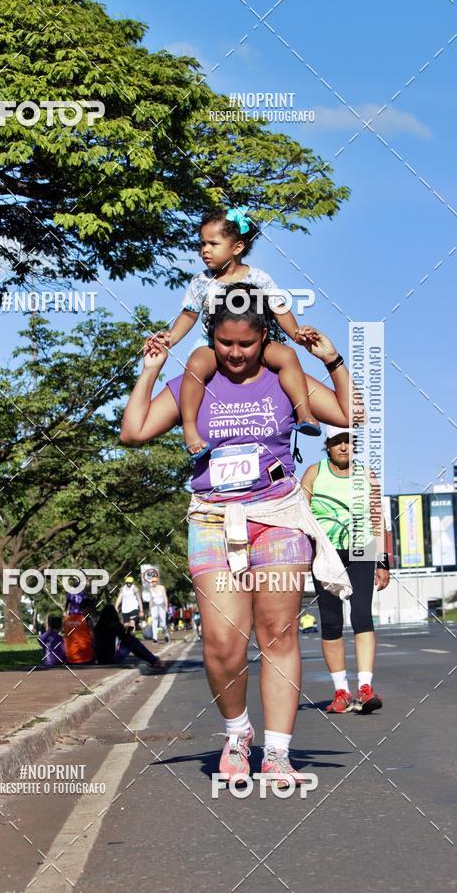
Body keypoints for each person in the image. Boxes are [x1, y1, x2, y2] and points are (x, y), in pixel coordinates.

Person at [121, 291, 356, 784]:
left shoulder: (283, 377)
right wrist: (149, 369)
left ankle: (277, 754)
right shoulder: (195, 381)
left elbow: (349, 414)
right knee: (224, 643)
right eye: (225, 343)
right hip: (213, 519)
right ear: (212, 339)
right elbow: (134, 431)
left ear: (263, 338)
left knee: (279, 633)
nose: (235, 353)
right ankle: (237, 731)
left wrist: (331, 358)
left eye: (246, 344)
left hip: (277, 515)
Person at [147, 208, 322, 458]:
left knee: (287, 356)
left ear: (237, 247)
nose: (205, 250)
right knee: (195, 364)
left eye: (213, 244)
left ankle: (304, 412)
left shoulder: (259, 279)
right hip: (213, 344)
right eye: (202, 243)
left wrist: (295, 333)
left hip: (257, 345)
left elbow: (279, 308)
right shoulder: (201, 281)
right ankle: (189, 429)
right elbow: (189, 314)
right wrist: (171, 338)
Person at [301, 426, 390, 714]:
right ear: (327, 445)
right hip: (326, 553)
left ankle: (365, 688)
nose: (343, 447)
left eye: (349, 442)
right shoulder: (314, 473)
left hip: (361, 549)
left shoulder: (366, 474)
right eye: (337, 442)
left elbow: (378, 518)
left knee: (362, 615)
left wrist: (383, 561)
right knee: (330, 621)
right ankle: (341, 691)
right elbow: (300, 516)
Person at [94, 605, 164, 669]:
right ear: (114, 614)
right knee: (133, 641)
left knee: (132, 642)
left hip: (101, 659)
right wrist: (130, 629)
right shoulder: (115, 625)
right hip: (112, 659)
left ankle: (152, 659)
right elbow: (126, 639)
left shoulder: (98, 627)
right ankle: (154, 660)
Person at [63, 597, 96, 665]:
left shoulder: (67, 620)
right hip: (85, 658)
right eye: (92, 609)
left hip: (70, 658)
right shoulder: (88, 620)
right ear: (88, 608)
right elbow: (93, 639)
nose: (92, 611)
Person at [149, 576, 170, 643]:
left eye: (155, 581)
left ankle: (166, 634)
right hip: (154, 606)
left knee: (162, 623)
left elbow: (165, 597)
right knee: (154, 622)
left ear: (157, 581)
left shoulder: (162, 588)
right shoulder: (151, 589)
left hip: (161, 606)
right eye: (152, 581)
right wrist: (150, 609)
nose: (153, 583)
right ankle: (155, 638)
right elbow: (151, 600)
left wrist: (166, 606)